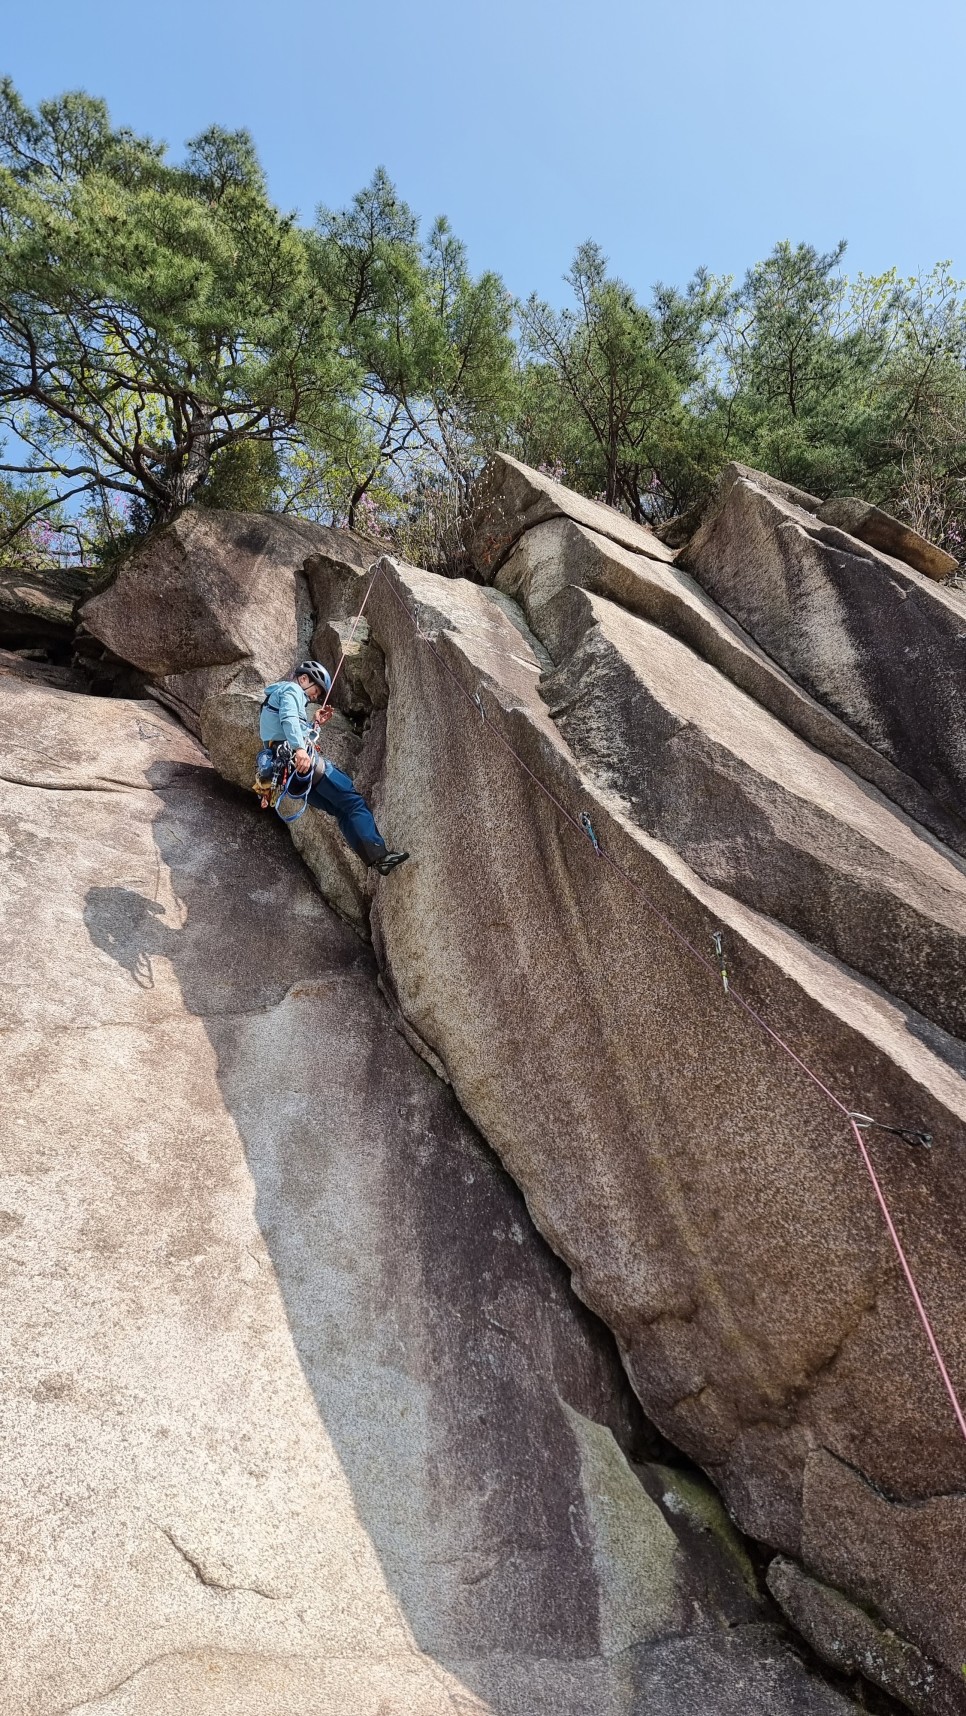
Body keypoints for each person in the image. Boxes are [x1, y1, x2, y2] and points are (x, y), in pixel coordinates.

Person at [260, 661, 409, 875]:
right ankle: (380, 855)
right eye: (316, 689)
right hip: (303, 765)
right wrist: (301, 750)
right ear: (303, 679)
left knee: (341, 811)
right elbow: (289, 720)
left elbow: (287, 730)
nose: (315, 696)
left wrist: (315, 724)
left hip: (291, 778)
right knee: (353, 802)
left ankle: (376, 860)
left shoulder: (274, 700)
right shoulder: (291, 689)